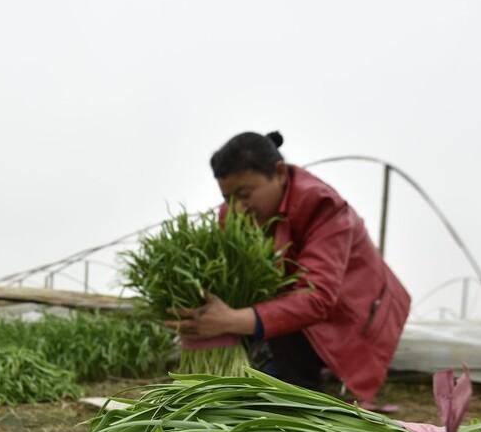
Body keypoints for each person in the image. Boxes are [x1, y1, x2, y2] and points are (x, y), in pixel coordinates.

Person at [166, 131, 410, 402]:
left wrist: (232, 320)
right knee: (278, 356)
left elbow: (316, 297)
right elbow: (230, 279)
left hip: (356, 307)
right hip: (292, 313)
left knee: (300, 378)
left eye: (245, 194)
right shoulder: (234, 214)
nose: (237, 209)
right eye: (228, 198)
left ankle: (309, 407)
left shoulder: (323, 206)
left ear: (279, 173)